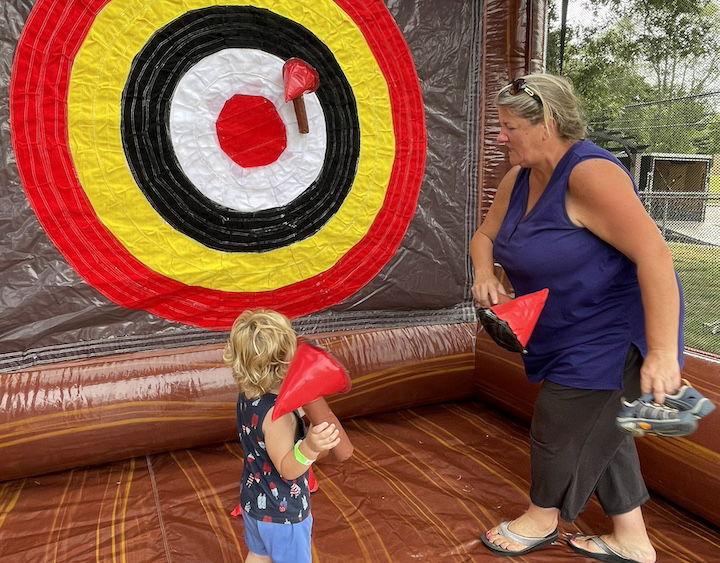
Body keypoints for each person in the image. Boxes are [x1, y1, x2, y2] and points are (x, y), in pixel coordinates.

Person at [470, 73, 685, 563]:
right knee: (605, 427)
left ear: (545, 123)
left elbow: (656, 257)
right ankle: (633, 539)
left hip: (613, 330)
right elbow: (485, 237)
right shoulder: (518, 177)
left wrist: (661, 353)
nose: (501, 137)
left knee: (560, 422)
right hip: (563, 329)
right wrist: (486, 274)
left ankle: (542, 518)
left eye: (508, 128)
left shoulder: (590, 174)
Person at [224, 310, 341, 563]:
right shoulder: (280, 418)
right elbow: (288, 468)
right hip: (282, 513)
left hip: (254, 501)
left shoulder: (249, 395)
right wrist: (309, 446)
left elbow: (262, 432)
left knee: (259, 554)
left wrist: (297, 408)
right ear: (285, 363)